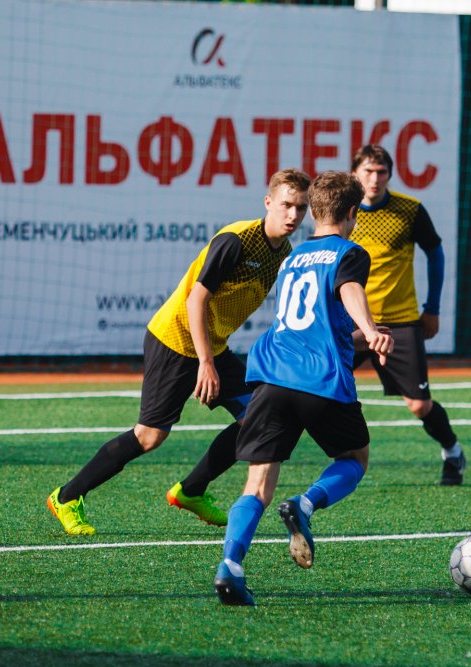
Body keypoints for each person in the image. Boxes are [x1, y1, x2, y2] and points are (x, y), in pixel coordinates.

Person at [47, 168, 312, 535]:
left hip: (211, 345)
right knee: (149, 436)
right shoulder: (236, 241)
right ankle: (67, 496)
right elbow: (195, 299)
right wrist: (205, 363)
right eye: (286, 205)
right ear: (268, 202)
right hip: (175, 340)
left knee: (256, 416)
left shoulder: (283, 252)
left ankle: (191, 491)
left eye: (301, 208)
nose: (293, 215)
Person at [213, 171, 393, 606]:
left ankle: (230, 568)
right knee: (354, 458)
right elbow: (349, 288)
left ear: (312, 211)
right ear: (353, 213)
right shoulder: (350, 251)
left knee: (256, 485)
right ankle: (306, 505)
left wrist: (356, 335)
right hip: (319, 378)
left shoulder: (293, 257)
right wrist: (370, 329)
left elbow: (311, 320)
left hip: (273, 375)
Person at [349, 145, 465, 485]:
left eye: (381, 172)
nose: (374, 179)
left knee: (418, 405)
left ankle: (453, 452)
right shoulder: (344, 209)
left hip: (399, 322)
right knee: (315, 390)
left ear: (390, 174)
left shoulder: (409, 210)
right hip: (353, 322)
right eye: (368, 171)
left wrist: (433, 308)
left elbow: (435, 253)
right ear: (355, 172)